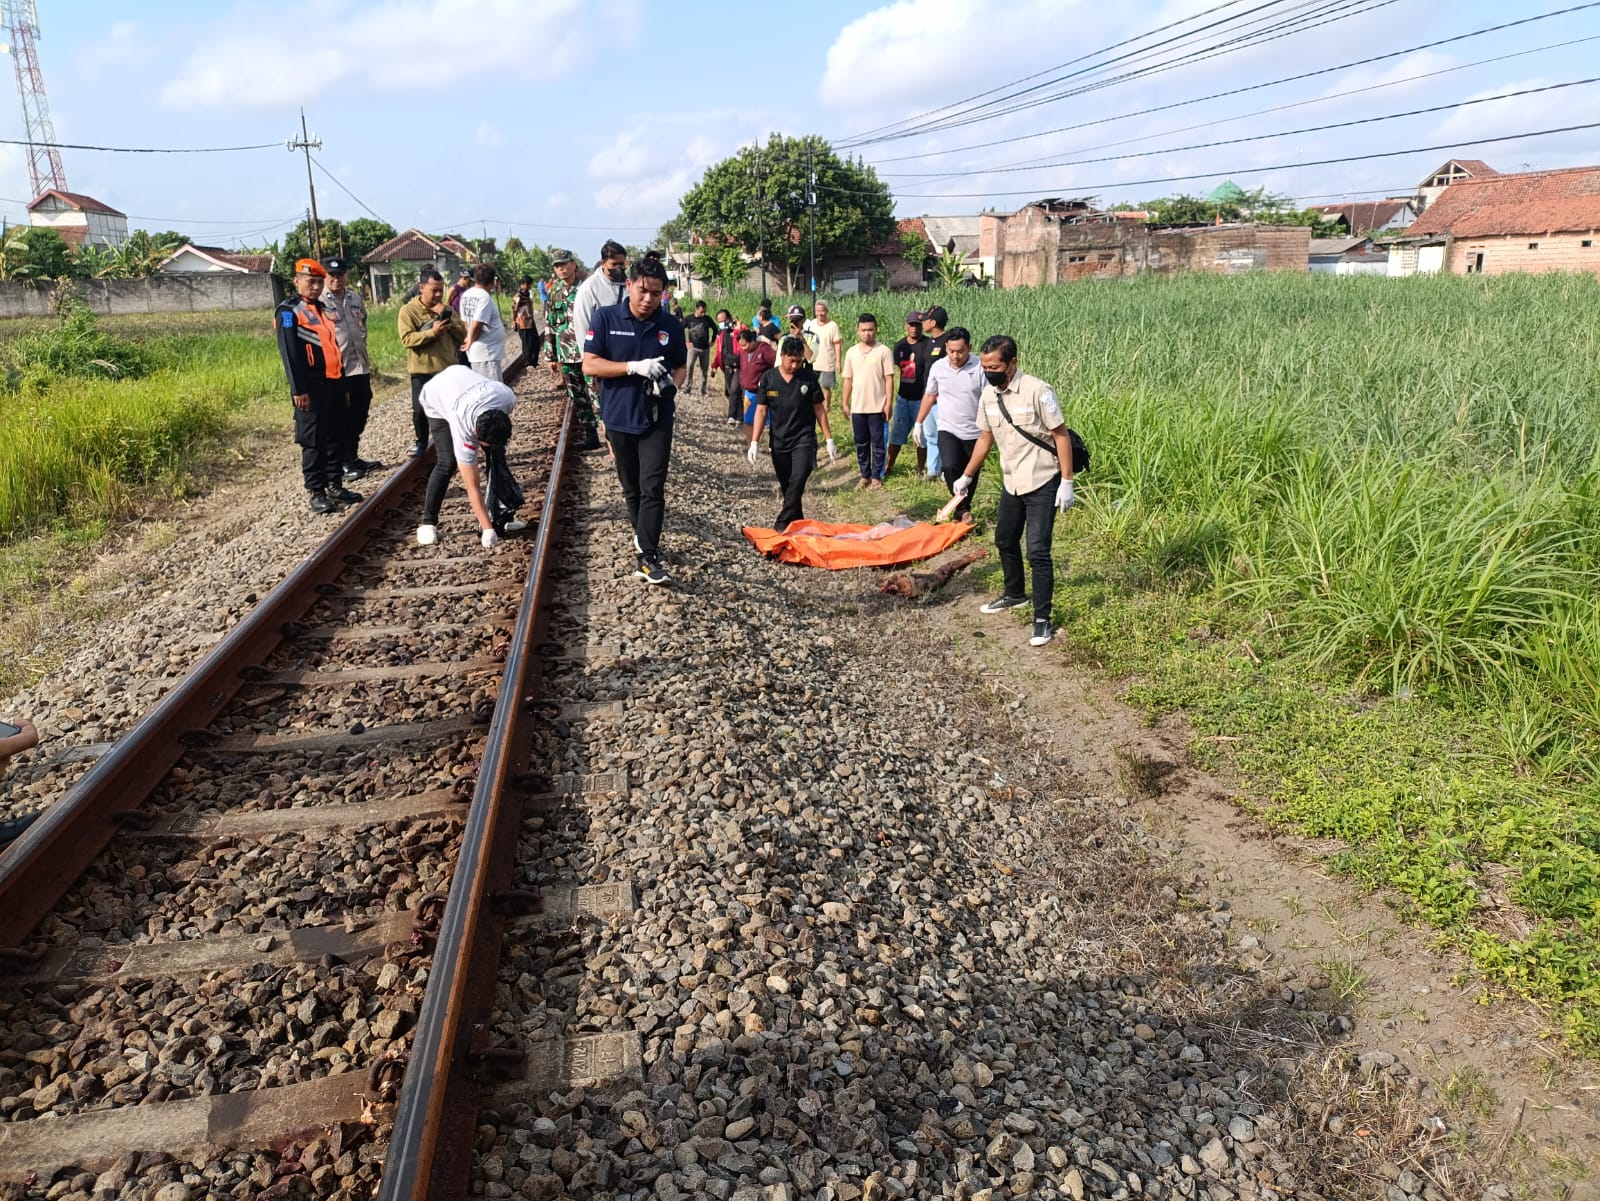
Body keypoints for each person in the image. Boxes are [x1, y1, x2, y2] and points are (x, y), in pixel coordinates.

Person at [953, 334, 1077, 648]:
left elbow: (1060, 436)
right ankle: (1014, 594)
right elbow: (985, 438)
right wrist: (967, 476)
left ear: (1012, 363)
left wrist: (1067, 481)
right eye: (984, 366)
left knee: (1037, 550)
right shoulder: (988, 396)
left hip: (1042, 481)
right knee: (1005, 539)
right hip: (1012, 481)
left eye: (994, 366)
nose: (989, 371)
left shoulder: (1038, 390)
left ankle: (1042, 619)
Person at [581, 257, 687, 586]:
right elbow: (590, 364)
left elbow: (681, 366)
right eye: (643, 291)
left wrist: (669, 382)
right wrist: (632, 367)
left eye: (656, 294)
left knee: (653, 487)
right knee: (632, 489)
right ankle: (642, 538)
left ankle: (648, 556)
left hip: (657, 417)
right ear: (629, 285)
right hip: (619, 417)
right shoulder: (607, 318)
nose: (648, 299)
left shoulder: (670, 325)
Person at [276, 258, 362, 514]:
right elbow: (290, 354)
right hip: (311, 388)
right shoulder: (289, 312)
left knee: (336, 436)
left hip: (334, 384)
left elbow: (334, 349)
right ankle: (316, 491)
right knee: (314, 441)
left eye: (318, 281)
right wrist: (298, 389)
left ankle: (335, 484)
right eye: (309, 281)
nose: (314, 286)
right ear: (297, 281)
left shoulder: (322, 309)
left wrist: (343, 383)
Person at [415, 364, 524, 549]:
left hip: (464, 382)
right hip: (436, 397)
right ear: (475, 433)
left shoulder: (507, 398)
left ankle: (503, 516)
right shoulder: (462, 428)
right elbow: (472, 486)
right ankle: (428, 523)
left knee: (497, 457)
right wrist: (488, 529)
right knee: (447, 462)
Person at [747, 335, 836, 530]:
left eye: (799, 361)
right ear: (783, 356)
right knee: (788, 485)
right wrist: (754, 441)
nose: (795, 365)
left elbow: (819, 409)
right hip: (779, 440)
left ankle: (781, 522)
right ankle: (797, 522)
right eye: (791, 360)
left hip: (803, 438)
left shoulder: (809, 378)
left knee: (799, 476)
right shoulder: (769, 378)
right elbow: (761, 410)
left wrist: (829, 439)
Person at [320, 255, 382, 482]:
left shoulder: (354, 297)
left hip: (359, 366)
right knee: (342, 417)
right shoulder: (320, 301)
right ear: (325, 276)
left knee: (360, 411)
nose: (336, 279)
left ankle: (353, 456)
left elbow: (362, 323)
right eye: (332, 275)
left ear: (346, 276)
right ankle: (343, 463)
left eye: (340, 275)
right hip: (338, 369)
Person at [915, 327, 984, 521]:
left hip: (975, 431)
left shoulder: (980, 367)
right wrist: (919, 422)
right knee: (950, 466)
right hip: (948, 428)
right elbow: (930, 395)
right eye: (951, 351)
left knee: (970, 472)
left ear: (969, 347)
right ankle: (963, 510)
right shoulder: (938, 368)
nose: (955, 356)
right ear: (946, 347)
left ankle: (961, 510)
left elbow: (990, 397)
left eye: (960, 351)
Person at [398, 268, 468, 457]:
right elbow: (407, 340)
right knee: (420, 411)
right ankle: (421, 442)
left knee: (451, 409)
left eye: (440, 290)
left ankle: (454, 443)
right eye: (434, 290)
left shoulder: (445, 309)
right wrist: (432, 332)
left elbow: (463, 336)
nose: (438, 294)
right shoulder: (409, 311)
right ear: (422, 287)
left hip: (447, 369)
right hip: (422, 370)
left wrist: (449, 319)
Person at [542, 248, 603, 453]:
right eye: (557, 266)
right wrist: (550, 355)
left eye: (564, 264)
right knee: (578, 396)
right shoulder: (553, 292)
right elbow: (549, 324)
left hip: (589, 352)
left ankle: (612, 436)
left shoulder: (587, 287)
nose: (561, 269)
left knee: (598, 394)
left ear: (573, 264)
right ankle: (591, 435)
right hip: (566, 355)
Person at [840, 312, 895, 490]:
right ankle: (864, 475)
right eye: (863, 330)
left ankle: (876, 476)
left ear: (876, 330)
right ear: (858, 331)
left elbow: (889, 379)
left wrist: (888, 403)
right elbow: (848, 379)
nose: (867, 333)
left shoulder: (884, 351)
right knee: (861, 443)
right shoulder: (851, 353)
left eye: (870, 330)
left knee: (878, 444)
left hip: (877, 407)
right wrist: (845, 402)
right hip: (858, 407)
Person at [887, 310, 932, 476]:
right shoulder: (900, 345)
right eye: (912, 325)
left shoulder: (928, 345)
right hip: (903, 397)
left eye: (918, 325)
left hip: (922, 398)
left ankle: (920, 469)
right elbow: (897, 369)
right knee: (896, 434)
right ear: (906, 325)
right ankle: (889, 466)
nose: (914, 328)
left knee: (922, 438)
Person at [919, 305, 951, 478]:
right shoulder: (928, 342)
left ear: (933, 322)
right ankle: (932, 470)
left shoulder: (947, 342)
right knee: (930, 435)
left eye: (925, 319)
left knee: (944, 437)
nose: (922, 322)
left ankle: (947, 472)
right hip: (928, 396)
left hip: (942, 399)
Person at [459, 263, 506, 381]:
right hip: (486, 353)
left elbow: (466, 321)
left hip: (479, 352)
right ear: (492, 281)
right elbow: (477, 323)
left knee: (483, 388)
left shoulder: (466, 295)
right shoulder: (484, 297)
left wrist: (469, 338)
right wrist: (470, 341)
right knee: (492, 391)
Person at [803, 299, 842, 419]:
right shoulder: (812, 324)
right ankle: (811, 405)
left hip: (827, 360)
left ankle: (827, 406)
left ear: (827, 311)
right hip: (812, 360)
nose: (820, 313)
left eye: (822, 311)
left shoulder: (833, 326)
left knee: (826, 385)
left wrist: (838, 361)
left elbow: (837, 344)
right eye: (818, 311)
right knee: (811, 385)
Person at [735, 327, 775, 429]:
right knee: (748, 421)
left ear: (752, 341)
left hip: (762, 391)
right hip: (748, 391)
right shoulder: (744, 352)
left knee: (765, 421)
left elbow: (775, 364)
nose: (743, 348)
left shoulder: (764, 349)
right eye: (741, 346)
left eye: (745, 345)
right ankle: (751, 443)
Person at [711, 309, 744, 425]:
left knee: (735, 389)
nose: (722, 323)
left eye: (724, 321)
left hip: (739, 365)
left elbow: (746, 341)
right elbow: (718, 352)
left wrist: (738, 329)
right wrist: (714, 366)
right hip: (727, 366)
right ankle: (740, 416)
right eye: (719, 321)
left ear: (729, 319)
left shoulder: (740, 330)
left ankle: (731, 416)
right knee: (731, 392)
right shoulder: (721, 335)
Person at [684, 300, 715, 395]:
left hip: (705, 348)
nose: (703, 313)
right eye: (701, 312)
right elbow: (679, 329)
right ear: (696, 309)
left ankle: (703, 389)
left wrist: (712, 341)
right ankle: (688, 387)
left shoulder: (707, 319)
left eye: (704, 311)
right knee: (689, 367)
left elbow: (715, 329)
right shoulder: (689, 319)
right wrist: (685, 342)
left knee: (704, 369)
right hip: (693, 348)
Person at [512, 276, 542, 369]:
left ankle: (534, 361)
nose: (530, 286)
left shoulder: (527, 294)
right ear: (523, 284)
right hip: (522, 323)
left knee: (535, 342)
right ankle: (528, 362)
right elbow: (514, 310)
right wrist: (514, 321)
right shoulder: (518, 297)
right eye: (529, 284)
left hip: (530, 322)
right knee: (527, 343)